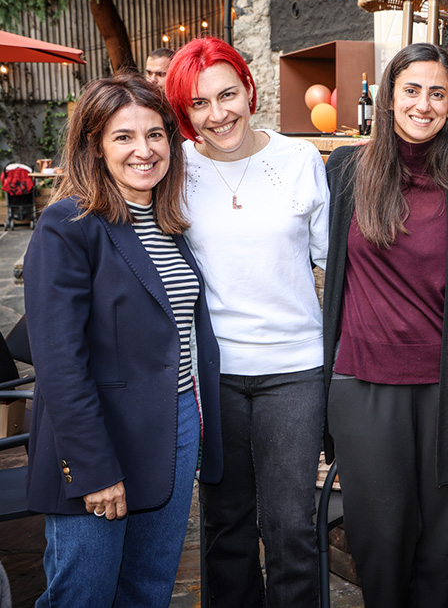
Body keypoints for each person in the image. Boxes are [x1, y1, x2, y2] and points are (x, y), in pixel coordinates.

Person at [23, 74, 223, 607]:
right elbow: (60, 364)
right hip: (100, 435)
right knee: (83, 595)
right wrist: (94, 468)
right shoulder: (68, 225)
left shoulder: (171, 223)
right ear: (96, 146)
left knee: (148, 590)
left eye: (155, 134)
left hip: (175, 425)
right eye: (124, 136)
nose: (144, 150)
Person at [165, 36, 329, 608]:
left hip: (295, 369)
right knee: (225, 524)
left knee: (291, 525)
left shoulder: (300, 160)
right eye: (199, 104)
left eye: (227, 94)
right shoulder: (174, 169)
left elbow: (334, 261)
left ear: (248, 88)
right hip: (212, 374)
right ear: (184, 114)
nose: (218, 114)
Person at [323, 43, 448, 608]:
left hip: (445, 389)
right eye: (411, 90)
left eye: (438, 93)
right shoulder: (346, 171)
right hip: (363, 383)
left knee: (438, 547)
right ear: (389, 97)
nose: (424, 104)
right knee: (380, 544)